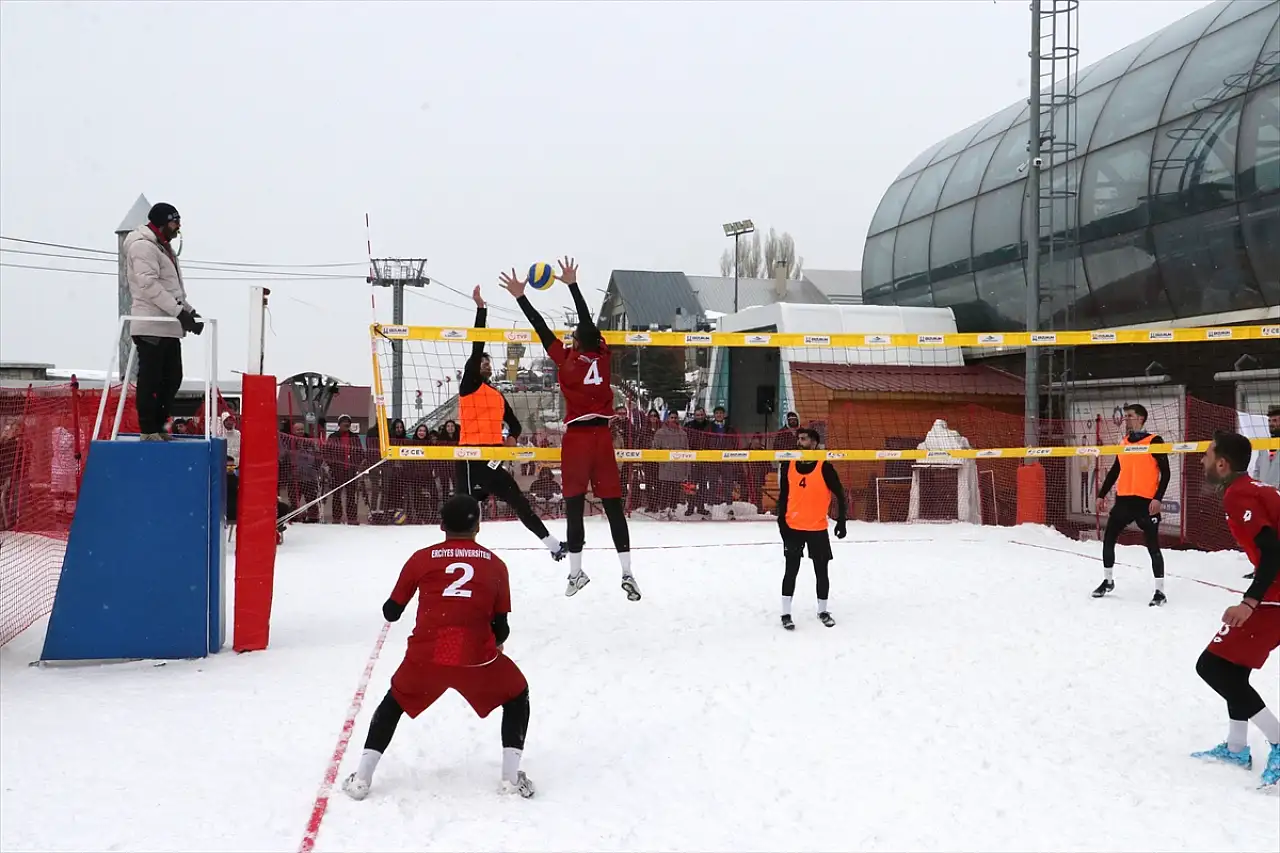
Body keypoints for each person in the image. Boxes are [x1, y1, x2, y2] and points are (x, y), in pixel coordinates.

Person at [343, 493, 535, 800]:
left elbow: (391, 612)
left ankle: (361, 778)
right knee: (516, 694)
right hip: (476, 656)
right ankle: (511, 779)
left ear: (441, 525)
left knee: (394, 703)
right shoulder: (496, 565)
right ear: (478, 527)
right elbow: (502, 627)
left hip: (427, 654)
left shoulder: (422, 558)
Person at [500, 258, 639, 602]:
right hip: (603, 438)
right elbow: (588, 323)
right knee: (613, 508)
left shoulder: (566, 360)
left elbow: (541, 328)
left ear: (576, 344)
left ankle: (576, 572)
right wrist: (573, 285)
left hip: (577, 439)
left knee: (574, 505)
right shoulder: (604, 357)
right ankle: (627, 573)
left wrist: (520, 296)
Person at [1190, 430, 1280, 790]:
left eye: (1207, 455)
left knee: (1210, 666)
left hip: (1274, 595)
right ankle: (1237, 747)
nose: (1202, 461)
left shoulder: (1239, 494)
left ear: (1222, 464)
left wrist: (1249, 602)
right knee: (1231, 666)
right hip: (1272, 591)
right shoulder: (1254, 489)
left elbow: (1273, 553)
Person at [456, 286, 565, 562]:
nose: (485, 364)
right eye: (481, 362)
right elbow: (477, 344)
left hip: (493, 458)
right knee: (467, 510)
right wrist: (481, 309)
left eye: (487, 362)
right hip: (470, 456)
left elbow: (515, 426)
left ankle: (553, 545)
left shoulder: (497, 395)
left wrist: (511, 439)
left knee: (519, 501)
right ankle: (462, 555)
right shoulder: (469, 386)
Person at [124, 202, 204, 441]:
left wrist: (190, 312)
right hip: (150, 323)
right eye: (174, 222)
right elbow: (149, 285)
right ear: (161, 223)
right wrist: (180, 313)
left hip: (168, 326)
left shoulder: (163, 248)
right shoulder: (143, 247)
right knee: (150, 379)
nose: (178, 227)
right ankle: (148, 428)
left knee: (173, 378)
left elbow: (173, 290)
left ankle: (159, 425)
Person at [1091, 404, 1171, 606]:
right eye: (1125, 416)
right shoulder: (1124, 442)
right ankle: (1108, 581)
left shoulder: (1155, 441)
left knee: (1152, 545)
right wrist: (1101, 494)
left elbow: (1166, 473)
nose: (1127, 419)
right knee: (1108, 538)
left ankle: (1160, 592)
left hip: (1146, 502)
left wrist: (1158, 498)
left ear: (1142, 418)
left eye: (1130, 416)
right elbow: (1114, 472)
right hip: (1124, 500)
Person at [775, 427, 847, 630]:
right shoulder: (788, 464)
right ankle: (786, 613)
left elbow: (840, 494)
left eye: (804, 439)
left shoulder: (824, 466)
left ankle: (823, 611)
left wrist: (841, 520)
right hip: (793, 527)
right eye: (798, 438)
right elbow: (783, 497)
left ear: (814, 443)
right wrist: (781, 521)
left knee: (821, 571)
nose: (799, 441)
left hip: (817, 528)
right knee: (791, 571)